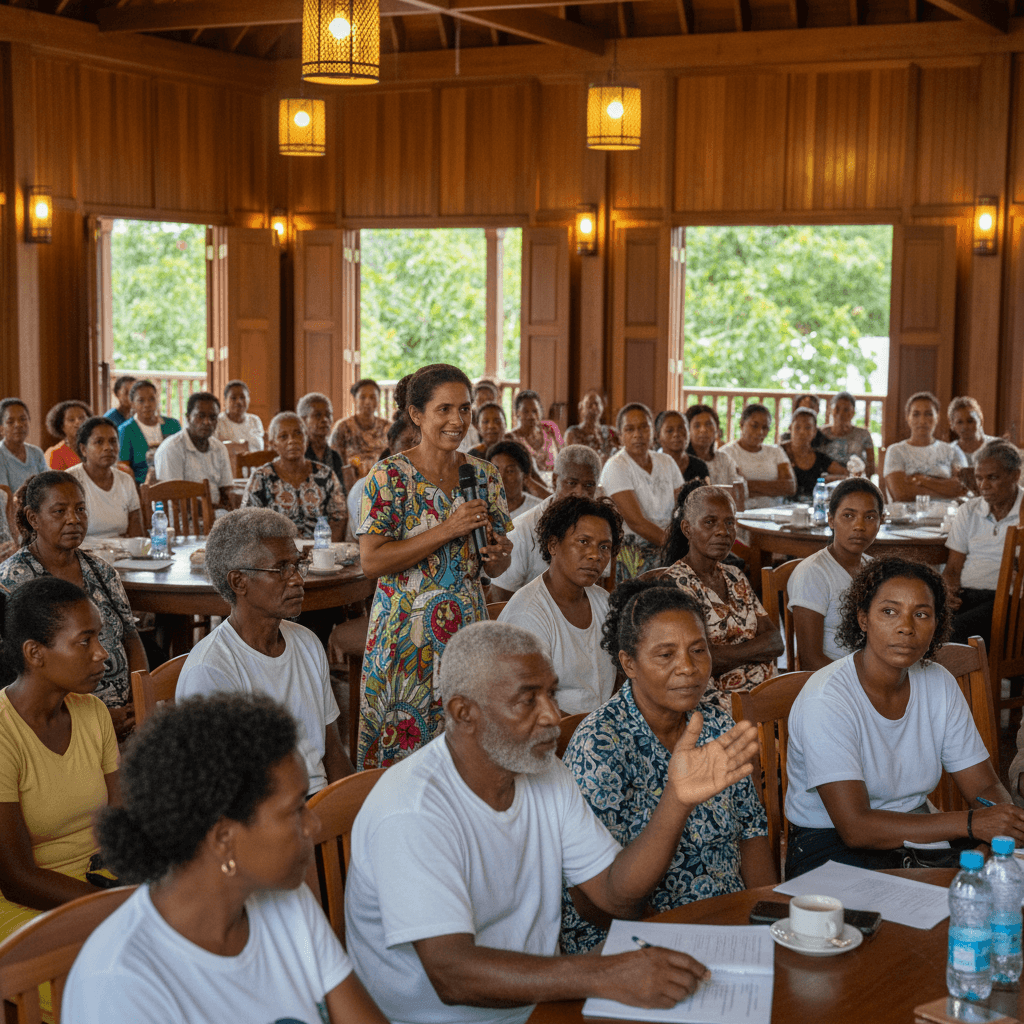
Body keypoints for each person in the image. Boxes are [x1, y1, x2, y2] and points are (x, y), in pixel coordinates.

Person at [345, 620, 758, 1024]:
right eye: (529, 700)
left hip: (539, 1003)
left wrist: (676, 800)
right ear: (464, 713)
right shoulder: (413, 810)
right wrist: (606, 973)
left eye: (552, 693)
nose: (551, 715)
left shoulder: (545, 773)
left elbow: (613, 894)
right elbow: (451, 975)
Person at [63, 693, 390, 1024]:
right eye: (295, 810)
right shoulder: (121, 984)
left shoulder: (287, 900)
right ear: (222, 839)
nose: (314, 824)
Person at [560, 580, 774, 954]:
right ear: (630, 663)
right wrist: (678, 939)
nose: (688, 668)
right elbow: (591, 901)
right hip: (638, 937)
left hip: (728, 923)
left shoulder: (717, 724)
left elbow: (751, 836)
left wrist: (769, 921)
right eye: (665, 655)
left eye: (698, 650)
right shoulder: (601, 743)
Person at [785, 557, 1024, 877]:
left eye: (921, 614)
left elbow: (984, 784)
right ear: (863, 619)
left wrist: (994, 832)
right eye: (889, 611)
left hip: (920, 835)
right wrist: (972, 824)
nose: (906, 627)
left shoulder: (938, 682)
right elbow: (856, 828)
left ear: (937, 624)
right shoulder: (827, 697)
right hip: (829, 844)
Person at [356, 363, 513, 769]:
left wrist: (499, 556)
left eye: (464, 409)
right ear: (416, 415)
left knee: (465, 754)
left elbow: (494, 567)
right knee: (405, 763)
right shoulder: (389, 476)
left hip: (466, 634)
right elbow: (372, 561)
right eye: (444, 409)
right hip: (404, 636)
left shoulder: (484, 475)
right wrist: (447, 529)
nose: (457, 421)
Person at [176, 508, 353, 793]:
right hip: (263, 818)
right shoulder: (211, 670)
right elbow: (217, 790)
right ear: (238, 582)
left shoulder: (307, 643)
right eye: (281, 569)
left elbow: (333, 751)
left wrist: (348, 816)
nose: (297, 579)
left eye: (297, 565)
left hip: (319, 804)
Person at [0, 578, 120, 942]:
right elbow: (17, 879)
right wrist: (114, 910)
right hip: (29, 906)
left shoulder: (93, 711)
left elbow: (123, 821)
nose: (102, 653)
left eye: (98, 638)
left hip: (103, 881)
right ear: (35, 653)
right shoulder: (4, 734)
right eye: (85, 641)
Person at [1, 472, 147, 737]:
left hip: (125, 718)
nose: (74, 519)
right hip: (55, 725)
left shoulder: (101, 571)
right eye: (59, 511)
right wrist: (92, 717)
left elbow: (130, 635)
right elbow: (14, 676)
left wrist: (139, 700)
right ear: (34, 519)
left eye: (80, 509)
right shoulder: (11, 582)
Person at [658, 483, 782, 707]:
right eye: (710, 522)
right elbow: (698, 661)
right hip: (716, 702)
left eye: (729, 522)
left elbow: (775, 642)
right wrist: (755, 648)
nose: (723, 531)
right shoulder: (674, 584)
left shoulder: (735, 576)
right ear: (687, 529)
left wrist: (724, 654)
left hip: (766, 691)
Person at [498, 496, 622, 714]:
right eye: (583, 542)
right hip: (550, 735)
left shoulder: (604, 602)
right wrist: (593, 735)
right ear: (553, 545)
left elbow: (622, 672)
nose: (595, 555)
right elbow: (528, 703)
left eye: (604, 547)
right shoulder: (527, 614)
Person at [789, 478, 884, 669]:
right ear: (831, 520)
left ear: (881, 522)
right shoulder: (813, 573)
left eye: (870, 517)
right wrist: (862, 683)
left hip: (874, 672)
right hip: (832, 682)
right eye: (848, 516)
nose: (859, 526)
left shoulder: (875, 569)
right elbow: (810, 660)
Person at [489, 444, 601, 599]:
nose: (580, 493)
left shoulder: (600, 527)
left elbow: (600, 588)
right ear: (555, 480)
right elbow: (500, 599)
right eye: (572, 483)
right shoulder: (523, 530)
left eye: (589, 485)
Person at [942, 441, 1023, 646]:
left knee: (951, 635)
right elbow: (952, 569)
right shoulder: (969, 510)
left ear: (1015, 475)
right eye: (979, 478)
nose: (984, 486)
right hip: (968, 597)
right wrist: (948, 592)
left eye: (992, 478)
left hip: (1011, 603)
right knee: (923, 625)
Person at [600, 403, 683, 582]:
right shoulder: (616, 466)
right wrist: (676, 547)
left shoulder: (666, 461)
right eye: (630, 429)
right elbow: (637, 522)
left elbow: (684, 506)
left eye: (644, 427)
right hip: (634, 546)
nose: (638, 434)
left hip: (669, 541)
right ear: (621, 437)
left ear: (653, 430)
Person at [241, 412, 347, 541]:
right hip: (276, 554)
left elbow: (339, 518)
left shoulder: (325, 475)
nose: (292, 440)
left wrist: (325, 550)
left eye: (298, 433)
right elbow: (248, 523)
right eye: (283, 436)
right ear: (273, 444)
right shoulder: (261, 477)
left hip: (319, 551)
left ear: (306, 439)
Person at [153, 391, 234, 509]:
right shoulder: (171, 448)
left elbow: (226, 489)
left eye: (213, 417)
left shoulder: (220, 448)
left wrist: (228, 511)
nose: (207, 422)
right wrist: (214, 510)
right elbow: (174, 498)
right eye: (201, 416)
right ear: (188, 417)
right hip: (181, 520)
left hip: (215, 514)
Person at [884, 391, 967, 502]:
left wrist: (923, 480)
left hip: (948, 516)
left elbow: (962, 488)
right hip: (906, 517)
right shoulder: (896, 451)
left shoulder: (952, 451)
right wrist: (946, 490)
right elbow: (900, 493)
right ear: (908, 418)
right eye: (916, 414)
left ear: (937, 417)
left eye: (928, 414)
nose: (922, 421)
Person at [68, 417, 143, 540]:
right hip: (82, 554)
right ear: (83, 449)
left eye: (113, 441)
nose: (108, 447)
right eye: (99, 442)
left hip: (122, 553)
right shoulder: (70, 481)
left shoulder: (126, 480)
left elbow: (136, 532)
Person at [346, 414, 420, 540]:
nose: (415, 450)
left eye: (420, 444)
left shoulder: (423, 486)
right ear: (391, 445)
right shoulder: (366, 486)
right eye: (408, 442)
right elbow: (374, 548)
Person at [720, 403, 795, 508]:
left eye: (765, 428)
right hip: (741, 515)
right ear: (742, 424)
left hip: (776, 514)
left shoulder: (776, 451)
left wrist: (747, 485)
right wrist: (774, 488)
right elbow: (731, 491)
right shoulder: (726, 454)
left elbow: (790, 487)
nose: (760, 432)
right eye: (754, 426)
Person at [117, 379, 182, 485]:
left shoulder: (173, 425)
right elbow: (123, 464)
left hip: (173, 482)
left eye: (152, 399)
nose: (147, 404)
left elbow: (183, 455)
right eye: (141, 401)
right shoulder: (125, 430)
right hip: (142, 485)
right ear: (132, 404)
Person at [781, 408, 846, 502]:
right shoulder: (780, 452)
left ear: (815, 431)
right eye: (798, 427)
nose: (802, 432)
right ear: (791, 428)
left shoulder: (820, 458)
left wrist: (827, 479)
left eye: (807, 427)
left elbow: (846, 475)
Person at [330, 378, 390, 479]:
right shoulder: (342, 427)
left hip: (383, 483)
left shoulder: (388, 427)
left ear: (378, 399)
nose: (368, 402)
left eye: (372, 397)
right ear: (355, 399)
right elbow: (335, 460)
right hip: (351, 484)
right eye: (362, 397)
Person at [684, 404, 746, 495]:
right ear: (688, 431)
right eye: (697, 426)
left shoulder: (724, 459)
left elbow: (741, 491)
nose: (703, 430)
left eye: (708, 424)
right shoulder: (683, 461)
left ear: (717, 429)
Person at [508, 388, 562, 485]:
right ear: (517, 413)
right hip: (531, 488)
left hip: (557, 484)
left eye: (535, 411)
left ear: (540, 412)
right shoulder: (512, 438)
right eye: (525, 411)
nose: (531, 416)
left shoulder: (550, 428)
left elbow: (563, 454)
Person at [299, 391, 349, 488]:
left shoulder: (335, 457)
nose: (325, 420)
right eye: (317, 415)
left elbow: (341, 491)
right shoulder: (299, 455)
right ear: (303, 420)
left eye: (328, 415)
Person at [820, 391, 875, 477]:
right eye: (837, 408)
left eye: (846, 409)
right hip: (826, 480)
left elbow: (871, 465)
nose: (841, 413)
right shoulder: (822, 433)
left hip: (853, 480)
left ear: (853, 412)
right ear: (831, 410)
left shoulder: (863, 434)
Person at [485, 439, 542, 520]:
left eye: (509, 471)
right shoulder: (481, 511)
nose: (500, 478)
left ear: (525, 475)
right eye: (494, 471)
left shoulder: (538, 511)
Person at [0, 398, 48, 492]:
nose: (18, 425)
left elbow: (47, 485)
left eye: (23, 419)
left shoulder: (36, 452)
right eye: (10, 422)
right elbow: (4, 496)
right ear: (1, 429)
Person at [564, 390, 620, 465]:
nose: (594, 408)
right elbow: (570, 462)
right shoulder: (573, 433)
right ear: (581, 408)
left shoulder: (611, 432)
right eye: (590, 405)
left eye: (597, 404)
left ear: (602, 407)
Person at [654, 410, 708, 483]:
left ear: (688, 433)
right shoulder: (650, 466)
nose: (676, 434)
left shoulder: (700, 466)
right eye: (670, 431)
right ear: (658, 436)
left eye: (680, 429)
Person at [214, 379, 265, 450]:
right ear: (225, 400)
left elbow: (262, 446)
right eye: (233, 398)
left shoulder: (255, 420)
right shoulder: (218, 422)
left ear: (248, 399)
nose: (239, 402)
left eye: (242, 397)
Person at [948, 395, 998, 467]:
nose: (965, 426)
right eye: (960, 422)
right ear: (952, 425)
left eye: (970, 421)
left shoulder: (996, 447)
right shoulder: (948, 452)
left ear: (980, 420)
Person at [43, 400, 91, 471]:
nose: (78, 422)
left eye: (82, 418)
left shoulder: (96, 448)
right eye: (71, 420)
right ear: (62, 426)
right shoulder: (54, 454)